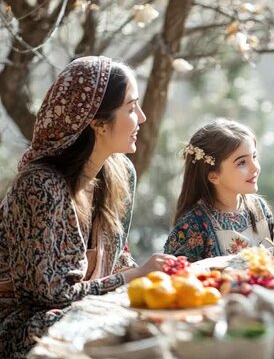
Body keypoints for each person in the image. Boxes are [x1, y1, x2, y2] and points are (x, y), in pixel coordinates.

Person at [0, 56, 174, 357]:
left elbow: (116, 259)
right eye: (131, 108)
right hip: (25, 322)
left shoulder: (120, 173)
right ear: (97, 123)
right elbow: (52, 296)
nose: (143, 118)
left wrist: (155, 275)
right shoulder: (41, 186)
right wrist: (134, 277)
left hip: (85, 307)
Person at [164, 119, 274, 261]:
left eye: (254, 156)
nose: (255, 167)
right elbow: (177, 278)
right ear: (213, 175)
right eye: (242, 162)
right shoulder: (192, 226)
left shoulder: (261, 209)